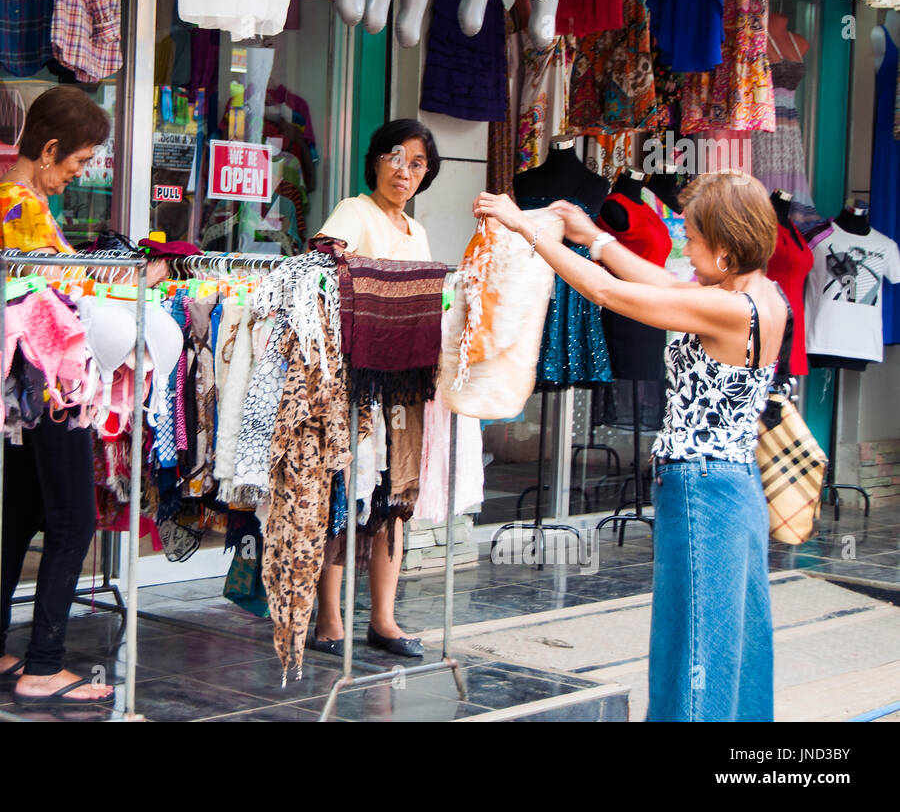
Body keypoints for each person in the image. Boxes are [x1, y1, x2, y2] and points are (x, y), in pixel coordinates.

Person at [474, 170, 786, 722]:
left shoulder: (731, 309)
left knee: (693, 646)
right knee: (731, 637)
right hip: (729, 484)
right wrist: (593, 236)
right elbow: (662, 285)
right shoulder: (760, 295)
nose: (684, 249)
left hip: (702, 487)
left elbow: (608, 293)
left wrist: (528, 228)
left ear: (727, 248)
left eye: (692, 238)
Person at [0, 86, 116, 708]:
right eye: (76, 162)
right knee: (74, 519)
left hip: (19, 383)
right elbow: (57, 294)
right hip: (50, 383)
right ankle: (44, 665)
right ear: (49, 149)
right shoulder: (19, 205)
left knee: (19, 516)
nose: (76, 176)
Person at [312, 118, 442, 658]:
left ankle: (384, 620)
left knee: (395, 496)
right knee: (346, 493)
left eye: (416, 163)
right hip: (357, 379)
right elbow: (322, 267)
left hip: (406, 385)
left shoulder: (419, 232)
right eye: (395, 156)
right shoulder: (354, 210)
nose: (404, 171)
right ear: (375, 160)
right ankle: (330, 618)